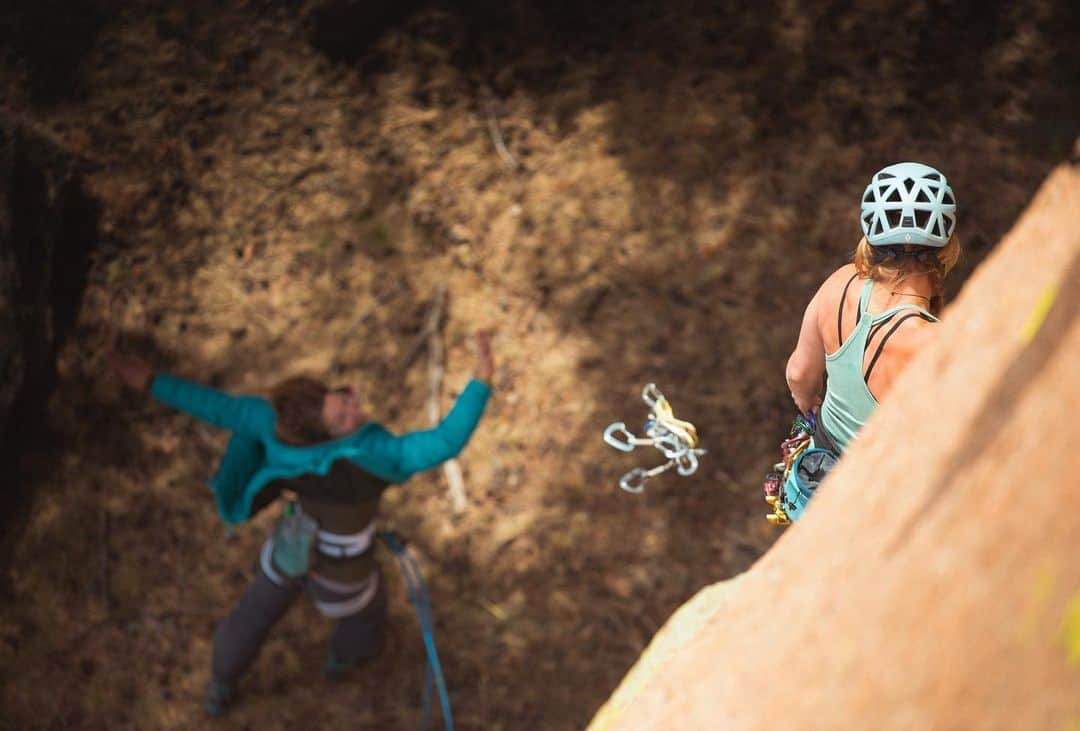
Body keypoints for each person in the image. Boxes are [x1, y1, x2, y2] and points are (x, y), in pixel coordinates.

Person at [109, 331, 495, 716]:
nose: (353, 408)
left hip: (291, 546)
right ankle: (343, 662)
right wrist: (481, 379)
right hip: (344, 570)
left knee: (253, 614)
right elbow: (444, 442)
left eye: (342, 399)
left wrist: (150, 382)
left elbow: (217, 407)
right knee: (369, 607)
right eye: (342, 415)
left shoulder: (274, 427)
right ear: (322, 436)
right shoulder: (372, 456)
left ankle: (220, 684)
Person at [785, 161, 960, 454]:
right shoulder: (931, 341)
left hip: (810, 482)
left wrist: (808, 402)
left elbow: (798, 373)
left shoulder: (839, 282)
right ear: (947, 247)